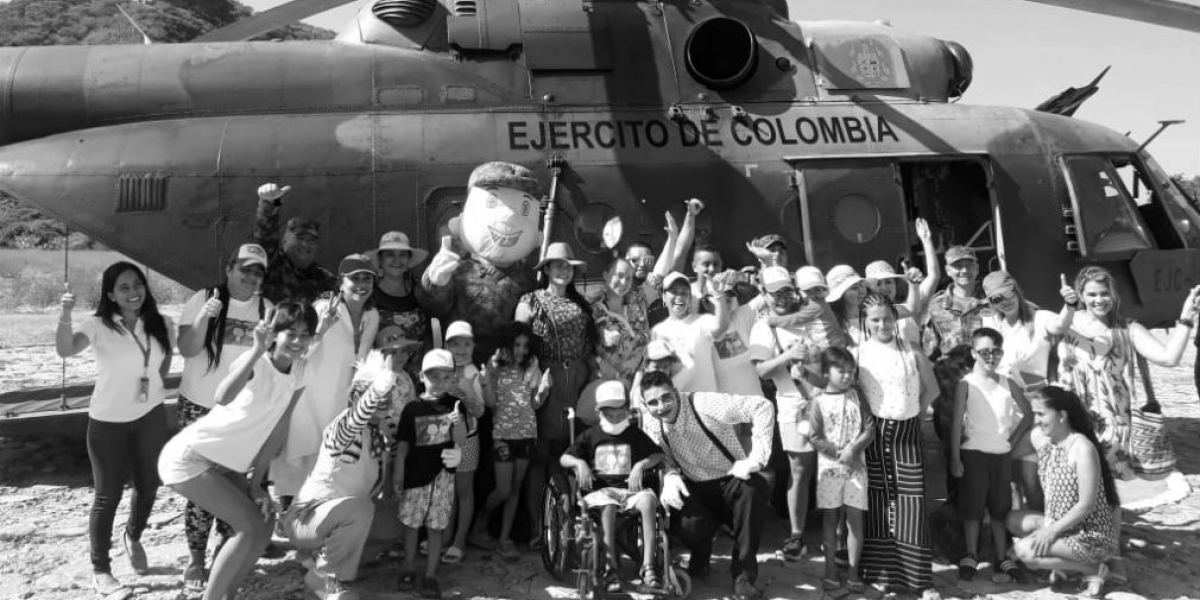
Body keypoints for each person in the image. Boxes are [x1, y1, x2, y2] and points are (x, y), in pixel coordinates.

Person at [157, 303, 316, 600]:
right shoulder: (256, 361)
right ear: (275, 334)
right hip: (191, 457)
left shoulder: (300, 370)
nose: (297, 340)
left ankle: (227, 593)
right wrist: (257, 349)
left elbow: (278, 428)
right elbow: (222, 396)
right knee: (248, 526)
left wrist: (257, 485)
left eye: (305, 334)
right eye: (290, 333)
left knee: (265, 523)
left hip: (229, 466)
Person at [57, 262, 176, 599]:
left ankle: (133, 535)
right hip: (108, 422)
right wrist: (65, 314)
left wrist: (151, 388)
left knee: (149, 484)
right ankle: (101, 570)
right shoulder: (97, 325)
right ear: (110, 294)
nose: (132, 291)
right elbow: (65, 350)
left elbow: (164, 363)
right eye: (123, 287)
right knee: (107, 496)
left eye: (137, 284)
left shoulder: (162, 323)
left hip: (151, 414)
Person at [174, 243, 273, 592]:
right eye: (244, 268)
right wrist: (205, 317)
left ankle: (224, 554)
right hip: (198, 407)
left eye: (258, 271)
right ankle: (196, 559)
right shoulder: (203, 298)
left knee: (234, 487)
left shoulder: (266, 309)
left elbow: (269, 363)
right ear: (229, 268)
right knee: (201, 488)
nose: (250, 276)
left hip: (238, 413)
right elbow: (186, 349)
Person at [639, 371, 775, 600]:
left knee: (754, 491)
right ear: (645, 404)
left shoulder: (702, 403)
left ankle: (743, 578)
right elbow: (663, 455)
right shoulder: (651, 422)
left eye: (666, 397)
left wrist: (757, 458)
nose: (661, 406)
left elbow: (762, 406)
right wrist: (670, 474)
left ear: (675, 391)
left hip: (732, 479)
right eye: (653, 402)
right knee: (685, 523)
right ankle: (701, 556)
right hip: (694, 485)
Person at [283, 350, 407, 600]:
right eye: (374, 394)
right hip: (306, 518)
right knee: (360, 509)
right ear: (356, 396)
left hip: (340, 516)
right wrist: (376, 390)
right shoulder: (342, 426)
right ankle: (326, 578)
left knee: (398, 518)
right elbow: (357, 418)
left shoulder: (381, 436)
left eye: (386, 394)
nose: (383, 399)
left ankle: (324, 558)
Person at [1057, 267, 1198, 478]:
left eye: (1105, 293)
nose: (1099, 300)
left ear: (1113, 294)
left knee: (1106, 487)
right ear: (1081, 296)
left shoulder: (1127, 328)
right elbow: (1051, 329)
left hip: (1111, 424)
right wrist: (1067, 306)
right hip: (1069, 417)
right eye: (1092, 294)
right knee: (1072, 481)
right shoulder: (1067, 323)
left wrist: (1186, 318)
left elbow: (1169, 358)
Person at [273, 254, 381, 502]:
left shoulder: (372, 315)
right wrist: (321, 330)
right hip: (310, 398)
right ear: (341, 282)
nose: (361, 284)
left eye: (367, 278)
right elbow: (299, 353)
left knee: (333, 468)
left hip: (343, 402)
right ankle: (287, 517)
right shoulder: (323, 309)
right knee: (298, 462)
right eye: (355, 278)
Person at [854, 293, 939, 595]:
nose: (882, 324)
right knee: (878, 504)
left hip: (907, 434)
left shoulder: (912, 349)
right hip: (874, 434)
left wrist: (912, 413)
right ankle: (882, 576)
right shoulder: (859, 353)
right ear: (865, 320)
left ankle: (920, 581)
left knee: (911, 505)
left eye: (887, 318)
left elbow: (932, 389)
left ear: (895, 317)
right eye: (875, 319)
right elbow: (855, 395)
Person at [515, 241, 596, 547]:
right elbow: (518, 340)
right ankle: (539, 525)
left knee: (568, 450)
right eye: (557, 264)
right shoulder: (530, 300)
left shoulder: (580, 304)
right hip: (545, 377)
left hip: (576, 379)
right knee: (542, 453)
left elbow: (588, 345)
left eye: (568, 266)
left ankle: (564, 520)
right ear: (546, 268)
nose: (563, 270)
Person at [1007, 386, 1121, 598]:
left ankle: (1093, 569)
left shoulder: (1082, 449)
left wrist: (1049, 532)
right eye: (1035, 415)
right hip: (1060, 525)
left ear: (1061, 415)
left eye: (1041, 414)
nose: (1037, 420)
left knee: (1024, 553)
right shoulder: (1040, 438)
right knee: (1010, 520)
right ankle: (1066, 564)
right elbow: (1007, 454)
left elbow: (1085, 505)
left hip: (1089, 534)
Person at [980, 270, 1078, 511]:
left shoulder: (1041, 318)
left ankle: (1045, 528)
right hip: (1002, 411)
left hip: (1034, 411)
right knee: (1008, 481)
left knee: (1031, 478)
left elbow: (1061, 324)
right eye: (996, 299)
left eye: (1007, 293)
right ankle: (1017, 534)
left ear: (1016, 289)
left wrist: (1070, 304)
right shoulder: (991, 323)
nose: (1004, 301)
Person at [560, 381, 666, 593]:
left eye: (620, 414)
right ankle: (611, 570)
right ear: (600, 412)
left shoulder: (634, 434)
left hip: (629, 492)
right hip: (601, 493)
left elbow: (658, 454)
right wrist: (579, 463)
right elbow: (564, 458)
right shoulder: (591, 435)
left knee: (648, 500)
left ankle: (648, 567)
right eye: (610, 414)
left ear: (628, 410)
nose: (616, 418)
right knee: (608, 506)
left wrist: (640, 465)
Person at [949, 328, 1032, 583]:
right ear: (974, 353)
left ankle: (1001, 557)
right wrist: (955, 458)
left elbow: (1028, 415)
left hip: (1001, 455)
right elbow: (956, 423)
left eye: (996, 351)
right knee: (973, 508)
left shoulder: (1008, 383)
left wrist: (1012, 440)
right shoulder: (966, 384)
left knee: (1000, 508)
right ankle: (971, 555)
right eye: (984, 351)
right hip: (973, 453)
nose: (990, 356)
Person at [748, 266, 819, 561]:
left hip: (829, 400)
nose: (780, 297)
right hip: (792, 402)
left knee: (833, 468)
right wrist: (789, 356)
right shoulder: (764, 326)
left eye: (786, 290)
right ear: (763, 293)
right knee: (800, 471)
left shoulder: (811, 313)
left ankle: (838, 535)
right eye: (773, 292)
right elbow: (761, 369)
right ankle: (796, 534)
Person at [471, 322, 551, 558]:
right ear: (507, 344)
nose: (521, 350)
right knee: (503, 490)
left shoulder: (532, 364)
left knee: (515, 489)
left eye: (525, 345)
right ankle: (480, 521)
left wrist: (544, 390)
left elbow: (534, 404)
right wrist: (486, 381)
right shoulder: (495, 365)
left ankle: (505, 539)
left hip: (527, 433)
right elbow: (491, 403)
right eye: (517, 344)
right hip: (503, 435)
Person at [394, 349, 468, 599]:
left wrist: (458, 422)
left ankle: (430, 575)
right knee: (412, 526)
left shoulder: (455, 406)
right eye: (433, 377)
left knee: (436, 528)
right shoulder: (411, 409)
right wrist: (398, 475)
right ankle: (408, 568)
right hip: (415, 479)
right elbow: (403, 447)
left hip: (443, 478)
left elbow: (460, 442)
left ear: (453, 379)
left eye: (446, 377)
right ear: (421, 377)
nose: (439, 383)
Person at [807, 347, 874, 594]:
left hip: (857, 468)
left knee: (855, 519)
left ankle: (854, 570)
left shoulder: (858, 396)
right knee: (830, 518)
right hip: (830, 469)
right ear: (826, 372)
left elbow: (869, 428)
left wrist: (853, 450)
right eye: (840, 371)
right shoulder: (819, 402)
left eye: (850, 371)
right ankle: (830, 569)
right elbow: (814, 436)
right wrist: (839, 454)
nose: (846, 376)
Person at [252, 183, 337, 305]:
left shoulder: (325, 279)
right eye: (300, 238)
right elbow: (265, 237)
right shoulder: (272, 266)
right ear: (285, 240)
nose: (305, 244)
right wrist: (268, 205)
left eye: (311, 240)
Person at [443, 321, 485, 563]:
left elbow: (479, 412)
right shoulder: (439, 368)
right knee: (446, 491)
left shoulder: (473, 374)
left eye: (466, 343)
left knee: (464, 492)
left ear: (473, 346)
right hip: (442, 441)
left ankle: (459, 541)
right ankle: (445, 537)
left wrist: (468, 391)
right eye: (455, 343)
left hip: (467, 440)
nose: (460, 348)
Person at [651, 271, 735, 393]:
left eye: (684, 293)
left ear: (690, 298)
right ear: (664, 297)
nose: (679, 296)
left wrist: (719, 295)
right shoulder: (657, 331)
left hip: (707, 404)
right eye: (673, 292)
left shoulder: (703, 321)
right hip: (677, 404)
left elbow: (722, 326)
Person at [864, 217, 939, 346]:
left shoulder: (911, 306)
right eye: (878, 283)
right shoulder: (862, 314)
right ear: (870, 288)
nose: (884, 287)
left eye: (888, 282)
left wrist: (926, 241)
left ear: (895, 284)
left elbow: (934, 276)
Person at [369, 231, 432, 377]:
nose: (397, 260)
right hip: (382, 375)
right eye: (390, 254)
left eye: (403, 255)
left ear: (409, 259)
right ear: (380, 259)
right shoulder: (370, 292)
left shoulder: (419, 288)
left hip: (419, 374)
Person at [591, 256, 650, 386]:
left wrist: (672, 238)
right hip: (608, 384)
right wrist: (598, 336)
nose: (624, 282)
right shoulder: (593, 310)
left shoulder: (637, 303)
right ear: (606, 275)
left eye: (629, 278)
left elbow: (657, 279)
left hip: (641, 382)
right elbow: (582, 346)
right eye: (619, 276)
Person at [923, 246, 989, 359]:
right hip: (953, 372)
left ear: (977, 268)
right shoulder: (936, 305)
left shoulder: (991, 300)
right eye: (958, 266)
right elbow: (928, 350)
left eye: (969, 265)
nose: (964, 270)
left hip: (986, 369)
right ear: (948, 270)